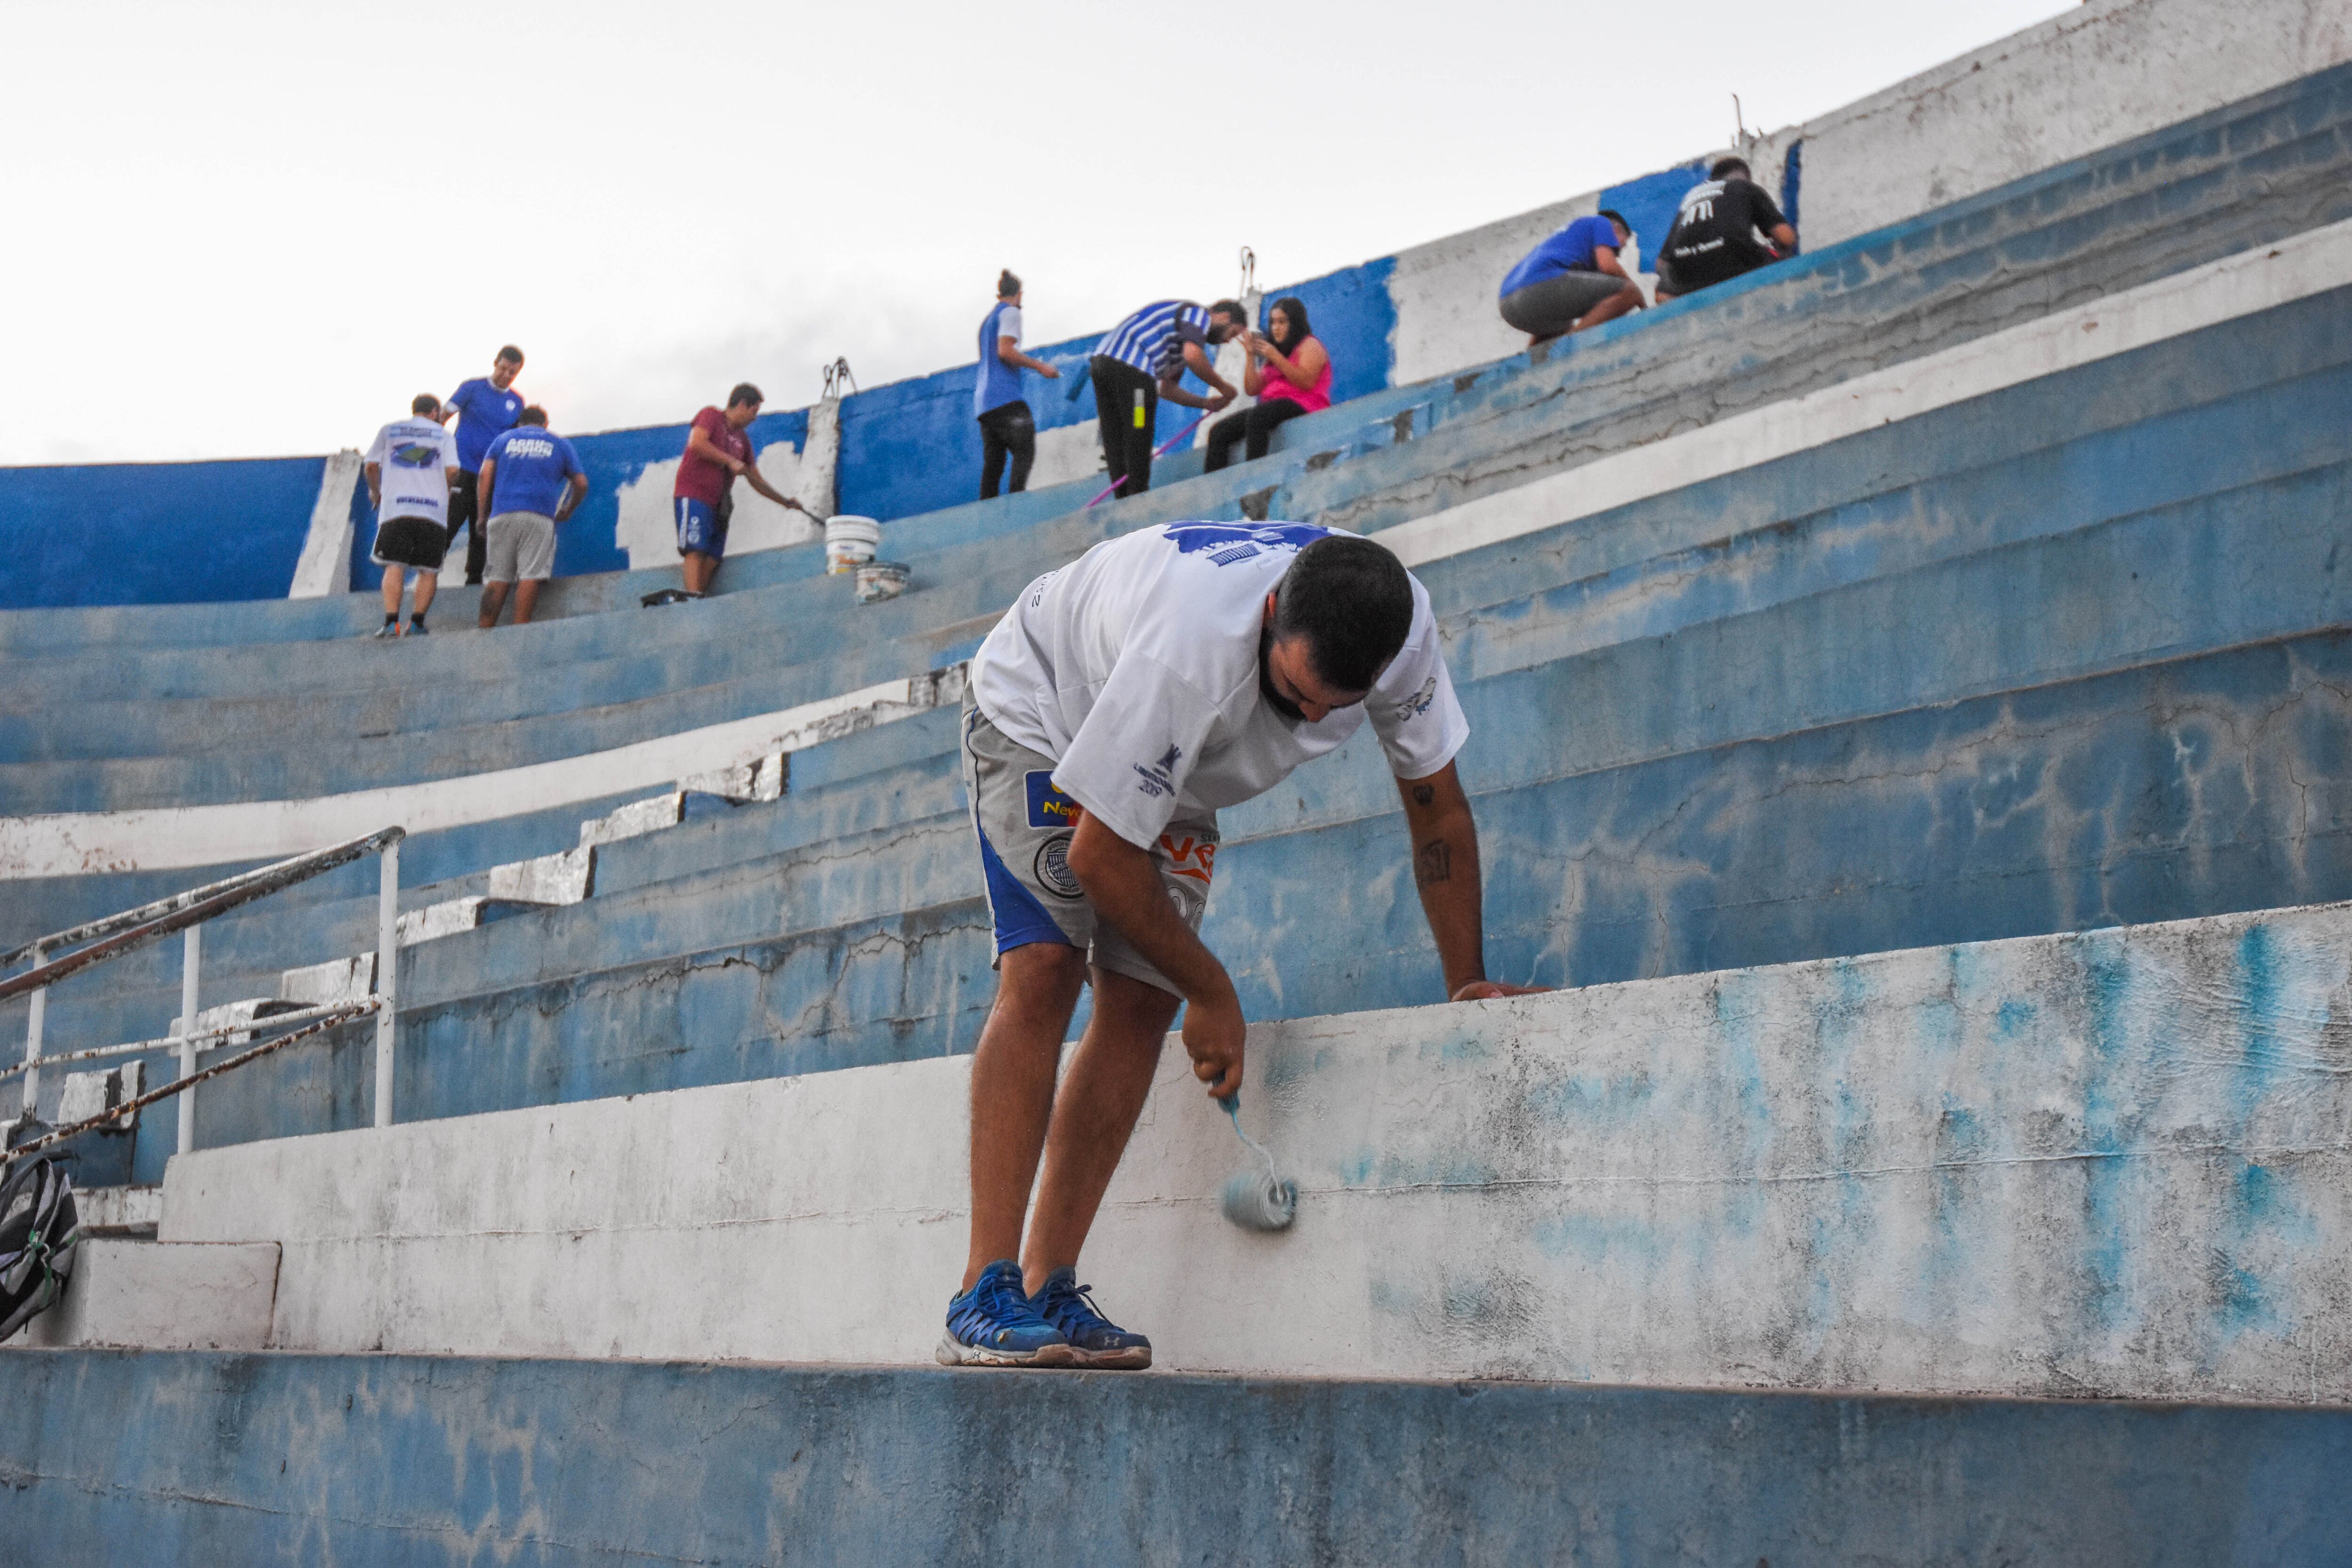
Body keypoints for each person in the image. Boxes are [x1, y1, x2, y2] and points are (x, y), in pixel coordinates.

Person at [940, 522, 1545, 1368]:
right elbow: (1100, 857)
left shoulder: (1402, 630)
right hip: (1044, 705)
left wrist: (1466, 979)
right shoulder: (1191, 646)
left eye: (1330, 709)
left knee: (1145, 994)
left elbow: (1436, 806)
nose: (1304, 719)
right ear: (1268, 616)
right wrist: (1216, 991)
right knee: (1046, 966)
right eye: (1293, 691)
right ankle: (983, 1290)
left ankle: (1048, 1285)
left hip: (1178, 759)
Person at [1088, 299, 1246, 499]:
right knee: (1139, 426)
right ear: (1224, 317)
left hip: (1102, 366)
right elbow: (1193, 355)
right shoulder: (1198, 315)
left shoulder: (1178, 340)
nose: (1227, 341)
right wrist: (1225, 388)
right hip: (1133, 369)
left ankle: (1124, 497)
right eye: (1232, 333)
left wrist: (1205, 403)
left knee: (1115, 435)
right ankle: (1137, 495)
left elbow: (1167, 389)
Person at [668, 383, 804, 599]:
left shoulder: (743, 441)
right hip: (694, 495)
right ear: (742, 405)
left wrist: (785, 502)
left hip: (719, 505)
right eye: (754, 411)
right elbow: (697, 443)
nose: (754, 418)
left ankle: (695, 598)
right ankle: (692, 605)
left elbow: (756, 480)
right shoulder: (711, 415)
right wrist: (730, 460)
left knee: (713, 557)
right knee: (695, 549)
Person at [475, 406, 587, 628]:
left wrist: (482, 516)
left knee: (497, 577)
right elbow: (581, 483)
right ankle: (521, 630)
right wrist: (569, 508)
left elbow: (485, 475)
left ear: (520, 423)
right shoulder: (559, 443)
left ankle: (483, 632)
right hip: (539, 516)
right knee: (530, 575)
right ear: (546, 424)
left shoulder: (503, 440)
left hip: (502, 514)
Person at [361, 394, 461, 638]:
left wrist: (377, 492)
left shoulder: (390, 430)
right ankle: (416, 624)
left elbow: (371, 466)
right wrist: (445, 489)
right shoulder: (444, 436)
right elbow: (453, 471)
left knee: (394, 565)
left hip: (397, 509)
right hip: (433, 512)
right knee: (428, 570)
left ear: (414, 410)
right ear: (435, 412)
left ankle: (391, 623)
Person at [1203, 296, 1331, 472]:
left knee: (1259, 415)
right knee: (1219, 431)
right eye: (1273, 322)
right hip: (1273, 408)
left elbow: (1307, 382)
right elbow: (1252, 389)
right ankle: (1213, 489)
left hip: (1305, 404)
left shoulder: (1310, 345)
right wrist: (1250, 355)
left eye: (1282, 322)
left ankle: (1255, 474)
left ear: (1295, 322)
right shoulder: (1276, 354)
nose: (1276, 328)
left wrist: (1274, 356)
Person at [1654, 158, 1798, 301]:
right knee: (1784, 255)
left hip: (1690, 279)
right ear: (1744, 176)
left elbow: (1661, 263)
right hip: (1737, 263)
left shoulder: (1690, 197)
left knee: (1666, 287)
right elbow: (1785, 237)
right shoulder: (1744, 186)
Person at [1496, 209, 1645, 345]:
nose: (1618, 253)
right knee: (1629, 291)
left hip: (1508, 305)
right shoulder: (1601, 222)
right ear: (1617, 229)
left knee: (1561, 328)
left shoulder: (1569, 238)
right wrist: (1641, 301)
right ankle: (1571, 346)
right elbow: (1608, 265)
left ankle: (1533, 364)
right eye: (1621, 245)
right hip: (1540, 286)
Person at [443, 346, 527, 587]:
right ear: (495, 364)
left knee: (482, 531)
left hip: (491, 477)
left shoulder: (516, 402)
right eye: (504, 369)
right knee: (449, 522)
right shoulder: (472, 388)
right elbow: (443, 416)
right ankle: (429, 571)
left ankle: (474, 580)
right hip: (462, 471)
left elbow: (516, 440)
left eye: (513, 372)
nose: (507, 375)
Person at [976, 270, 1062, 500]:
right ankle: (1017, 502)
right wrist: (1041, 367)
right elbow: (1005, 351)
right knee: (1025, 449)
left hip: (984, 404)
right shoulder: (1011, 312)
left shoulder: (988, 322)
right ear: (1019, 295)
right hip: (1005, 397)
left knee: (994, 463)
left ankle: (988, 510)